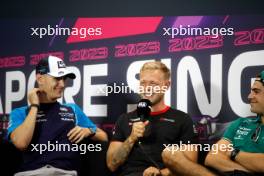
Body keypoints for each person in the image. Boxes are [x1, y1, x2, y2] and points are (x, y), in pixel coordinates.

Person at [7, 55, 108, 176]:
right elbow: (21, 143)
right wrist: (34, 106)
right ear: (40, 79)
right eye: (57, 78)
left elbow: (104, 137)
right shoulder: (20, 112)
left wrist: (88, 131)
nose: (62, 84)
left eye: (64, 79)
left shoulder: (72, 109)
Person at [106, 61, 198, 176]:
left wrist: (161, 173)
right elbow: (111, 164)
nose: (147, 88)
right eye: (143, 83)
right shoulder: (124, 119)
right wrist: (131, 138)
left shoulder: (182, 120)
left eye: (153, 83)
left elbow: (191, 166)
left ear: (166, 85)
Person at [205, 71, 264, 176]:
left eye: (256, 91)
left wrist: (233, 153)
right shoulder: (241, 123)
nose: (249, 96)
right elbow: (212, 157)